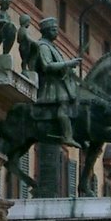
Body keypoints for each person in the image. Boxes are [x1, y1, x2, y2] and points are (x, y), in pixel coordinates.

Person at [33, 16, 81, 148]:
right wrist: (68, 63)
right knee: (64, 106)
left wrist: (70, 69)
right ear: (47, 31)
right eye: (54, 30)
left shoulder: (51, 46)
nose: (57, 32)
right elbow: (47, 66)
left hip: (59, 83)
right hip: (50, 85)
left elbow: (59, 66)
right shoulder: (43, 46)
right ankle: (67, 136)